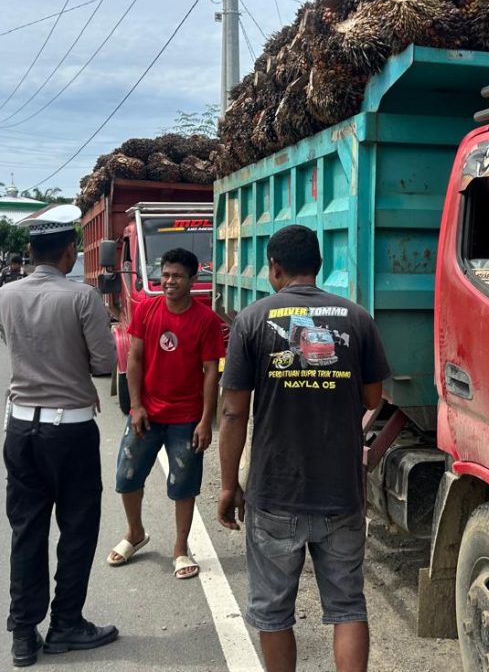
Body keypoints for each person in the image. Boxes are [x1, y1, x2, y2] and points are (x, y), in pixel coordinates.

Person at [218, 224, 389, 672]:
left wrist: (226, 485)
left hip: (275, 492)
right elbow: (374, 399)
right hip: (341, 492)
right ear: (321, 265)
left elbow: (233, 413)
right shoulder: (357, 318)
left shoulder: (252, 321)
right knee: (348, 606)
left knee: (273, 612)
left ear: (274, 269)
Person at [0, 204, 119, 667]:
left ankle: (23, 635)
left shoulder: (5, 295)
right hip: (70, 431)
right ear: (69, 252)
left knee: (27, 530)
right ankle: (66, 623)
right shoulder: (82, 298)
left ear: (31, 252)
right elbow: (105, 363)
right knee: (77, 528)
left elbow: (15, 344)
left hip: (21, 427)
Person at [107, 247, 224, 579]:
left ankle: (180, 548)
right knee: (127, 477)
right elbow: (134, 359)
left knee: (183, 485)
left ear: (192, 279)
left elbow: (211, 373)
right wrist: (137, 406)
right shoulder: (147, 309)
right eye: (166, 275)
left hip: (185, 418)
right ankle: (135, 533)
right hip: (146, 413)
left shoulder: (207, 321)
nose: (169, 281)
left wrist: (205, 421)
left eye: (177, 276)